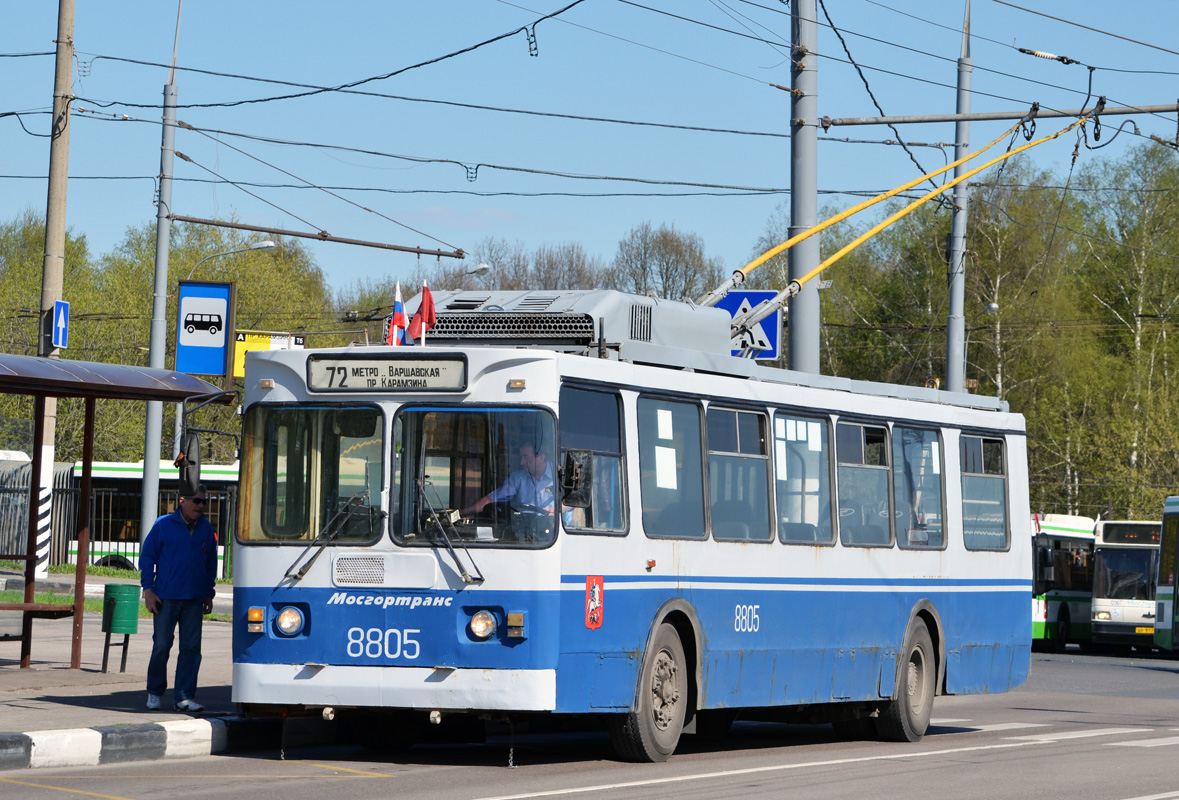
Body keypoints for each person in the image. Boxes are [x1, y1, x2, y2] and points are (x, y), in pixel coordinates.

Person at [140, 484, 217, 712]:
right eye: (197, 501)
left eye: (204, 501)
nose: (201, 506)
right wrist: (148, 590)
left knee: (191, 649)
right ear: (182, 500)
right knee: (162, 645)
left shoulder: (205, 528)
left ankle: (184, 696)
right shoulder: (163, 525)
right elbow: (147, 558)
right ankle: (154, 692)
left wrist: (209, 593)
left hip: (194, 599)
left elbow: (210, 564)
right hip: (166, 597)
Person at [462, 441, 558, 518]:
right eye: (521, 457)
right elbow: (490, 500)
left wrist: (557, 509)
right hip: (526, 532)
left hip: (556, 533)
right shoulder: (518, 478)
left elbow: (570, 503)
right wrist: (459, 514)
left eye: (526, 457)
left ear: (541, 457)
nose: (522, 462)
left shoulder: (559, 475)